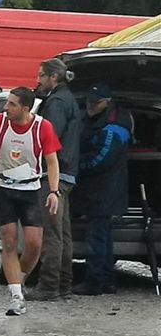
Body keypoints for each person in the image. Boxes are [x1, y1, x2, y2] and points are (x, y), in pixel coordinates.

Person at [0, 87, 61, 316]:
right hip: (3, 188)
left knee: (34, 243)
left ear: (25, 108)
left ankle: (19, 279)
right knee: (9, 240)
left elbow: (52, 161)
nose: (6, 107)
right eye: (7, 103)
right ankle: (15, 295)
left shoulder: (43, 127)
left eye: (12, 104)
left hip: (31, 189)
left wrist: (54, 191)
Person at [26, 58, 81, 301]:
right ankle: (64, 283)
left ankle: (49, 286)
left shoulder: (57, 102)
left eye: (41, 75)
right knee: (63, 232)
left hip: (53, 175)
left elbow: (49, 137)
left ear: (53, 77)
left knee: (51, 232)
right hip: (67, 172)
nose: (37, 80)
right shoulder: (68, 99)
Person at [71, 83, 132, 296]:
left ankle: (94, 281)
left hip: (104, 190)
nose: (90, 106)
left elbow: (101, 159)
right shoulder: (97, 119)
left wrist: (75, 166)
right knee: (103, 236)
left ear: (107, 103)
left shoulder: (114, 126)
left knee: (97, 237)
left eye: (95, 103)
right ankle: (106, 280)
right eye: (89, 101)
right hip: (100, 190)